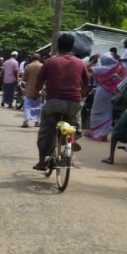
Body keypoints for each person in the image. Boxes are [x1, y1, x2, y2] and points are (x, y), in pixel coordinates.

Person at [33, 34, 88, 171]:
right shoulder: (80, 62)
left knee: (45, 131)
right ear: (72, 47)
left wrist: (35, 94)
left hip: (54, 103)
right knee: (74, 120)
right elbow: (86, 81)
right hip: (73, 103)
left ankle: (41, 162)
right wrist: (82, 93)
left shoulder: (50, 62)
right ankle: (72, 137)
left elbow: (39, 81)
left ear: (57, 46)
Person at [85, 53, 127, 140]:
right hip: (114, 93)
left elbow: (87, 68)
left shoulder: (101, 69)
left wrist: (93, 60)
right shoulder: (119, 67)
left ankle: (96, 133)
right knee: (108, 112)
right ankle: (103, 134)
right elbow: (124, 78)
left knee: (96, 111)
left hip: (102, 92)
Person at [21, 53, 45, 128]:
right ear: (40, 58)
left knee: (27, 106)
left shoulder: (28, 66)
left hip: (29, 89)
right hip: (39, 89)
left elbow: (24, 79)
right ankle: (37, 122)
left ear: (32, 58)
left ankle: (26, 121)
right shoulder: (42, 66)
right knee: (38, 106)